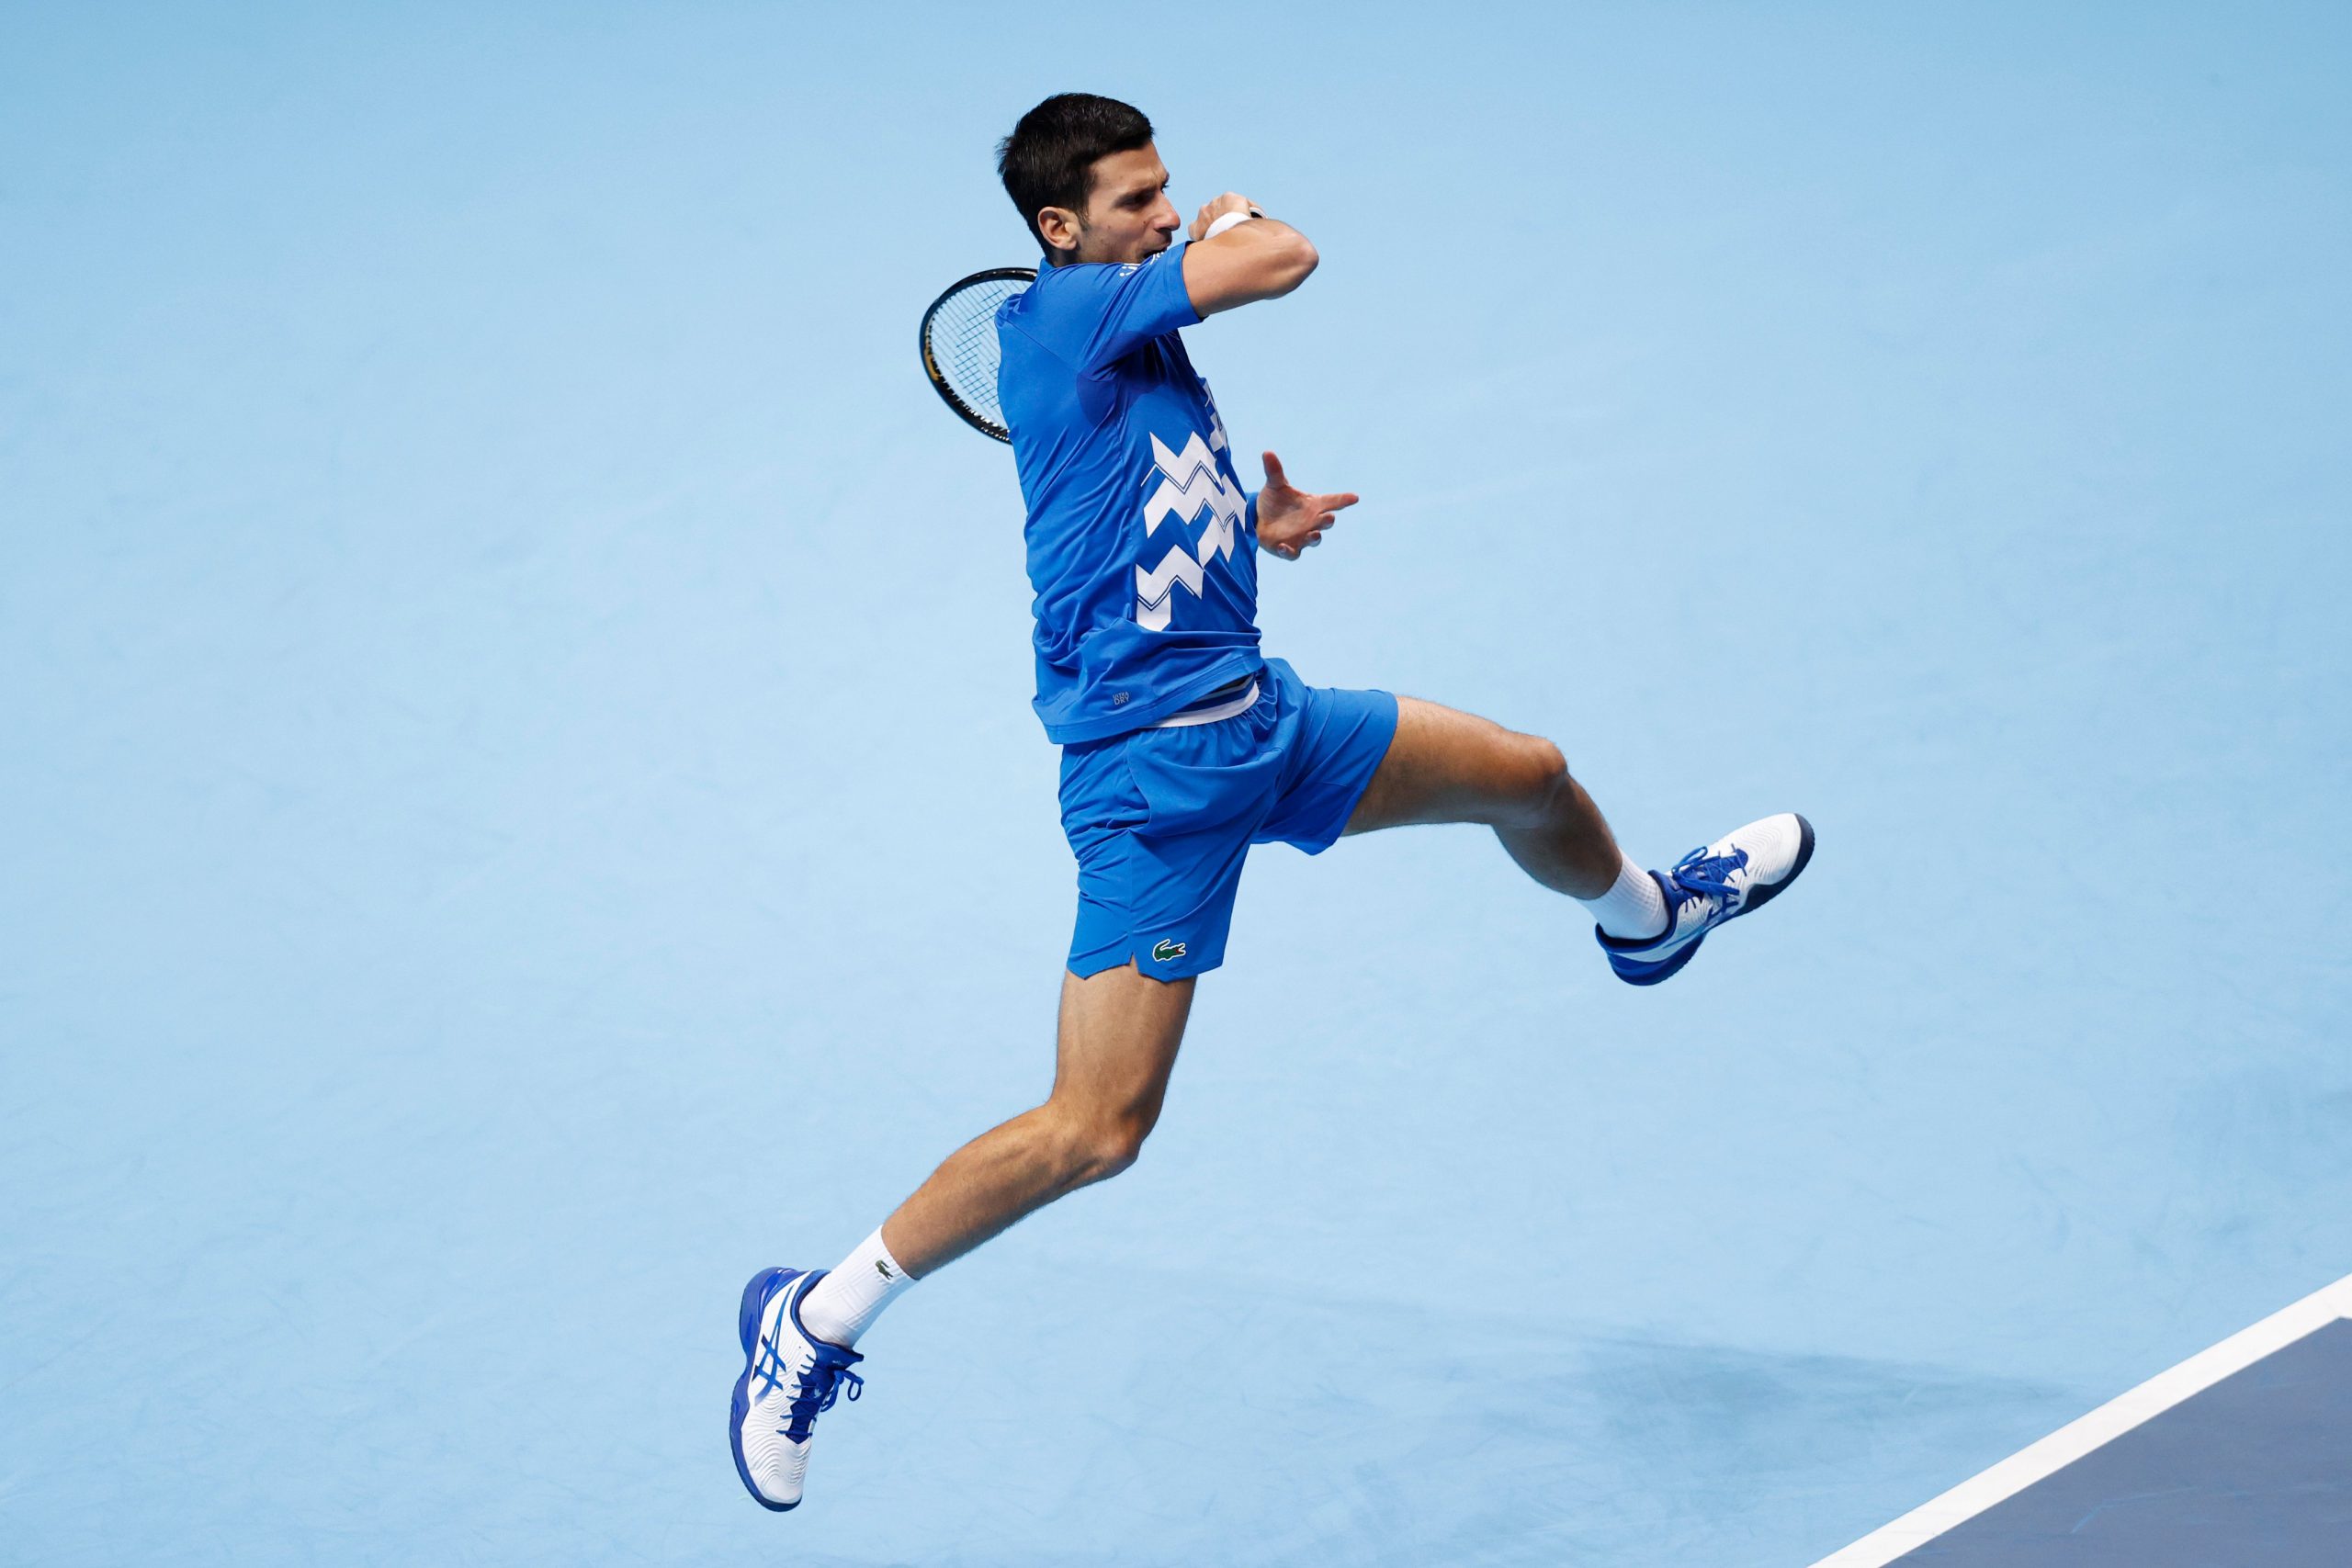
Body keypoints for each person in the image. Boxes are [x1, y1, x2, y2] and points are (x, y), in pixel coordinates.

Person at [729, 92, 1815, 1511]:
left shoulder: (1128, 340)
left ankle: (1649, 923)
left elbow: (1117, 524)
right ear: (1059, 232)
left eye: (1169, 191)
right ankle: (811, 1322)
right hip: (1154, 789)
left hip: (1269, 723)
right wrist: (1242, 226)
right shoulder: (1057, 321)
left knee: (1533, 777)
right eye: (1136, 203)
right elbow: (1287, 257)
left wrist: (1254, 523)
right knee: (1097, 1132)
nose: (1167, 214)